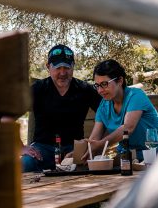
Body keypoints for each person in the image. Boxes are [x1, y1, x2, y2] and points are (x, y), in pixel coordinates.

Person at [22, 44, 102, 172]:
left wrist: (92, 144)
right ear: (48, 67)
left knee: (95, 168)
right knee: (24, 164)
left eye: (67, 67)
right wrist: (20, 147)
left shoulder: (85, 89)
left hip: (75, 149)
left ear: (73, 67)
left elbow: (106, 114)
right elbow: (7, 114)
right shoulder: (38, 89)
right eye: (58, 67)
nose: (63, 73)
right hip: (43, 149)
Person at [85, 59, 158, 162]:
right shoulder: (103, 106)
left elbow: (128, 128)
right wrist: (79, 152)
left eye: (104, 84)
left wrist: (101, 144)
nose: (100, 90)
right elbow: (94, 140)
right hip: (128, 158)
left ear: (120, 81)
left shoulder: (136, 95)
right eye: (97, 85)